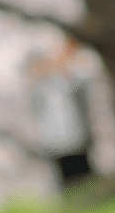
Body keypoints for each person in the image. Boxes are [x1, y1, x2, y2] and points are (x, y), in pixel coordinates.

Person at [29, 36, 95, 188]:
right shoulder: (39, 91)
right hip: (54, 142)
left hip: (76, 137)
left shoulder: (66, 82)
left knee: (86, 177)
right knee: (68, 182)